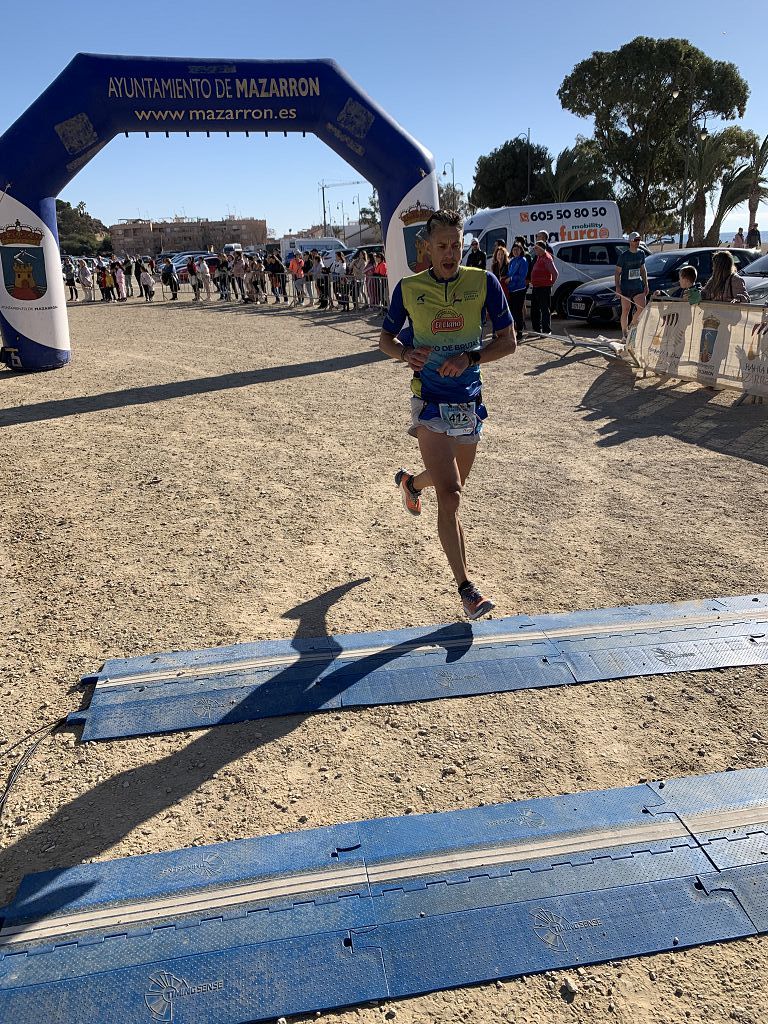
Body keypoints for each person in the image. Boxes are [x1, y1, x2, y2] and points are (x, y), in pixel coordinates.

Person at [378, 209, 517, 620]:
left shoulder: (483, 282)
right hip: (430, 402)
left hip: (469, 403)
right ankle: (467, 589)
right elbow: (384, 339)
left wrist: (471, 355)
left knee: (447, 488)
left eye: (456, 244)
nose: (451, 252)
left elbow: (509, 342)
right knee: (452, 494)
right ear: (426, 247)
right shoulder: (408, 288)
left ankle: (410, 483)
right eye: (442, 246)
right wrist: (404, 352)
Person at [615, 232, 648, 339]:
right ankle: (624, 332)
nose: (638, 242)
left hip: (638, 286)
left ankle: (632, 325)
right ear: (630, 241)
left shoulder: (641, 253)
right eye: (635, 240)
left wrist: (646, 284)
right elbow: (617, 273)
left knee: (642, 308)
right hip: (625, 287)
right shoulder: (623, 256)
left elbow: (643, 270)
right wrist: (618, 287)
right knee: (626, 309)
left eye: (639, 239)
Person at [530, 241, 558, 335]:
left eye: (536, 248)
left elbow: (555, 273)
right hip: (536, 287)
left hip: (544, 287)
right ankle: (537, 329)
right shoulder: (539, 257)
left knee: (544, 309)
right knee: (535, 309)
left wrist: (550, 283)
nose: (534, 249)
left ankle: (546, 330)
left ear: (541, 248)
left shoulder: (547, 258)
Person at [507, 241, 529, 336]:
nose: (515, 251)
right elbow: (509, 273)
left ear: (521, 250)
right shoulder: (512, 261)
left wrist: (511, 278)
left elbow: (522, 277)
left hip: (519, 289)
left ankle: (520, 332)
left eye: (517, 249)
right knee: (511, 311)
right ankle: (514, 330)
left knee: (517, 311)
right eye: (514, 249)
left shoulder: (523, 260)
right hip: (511, 289)